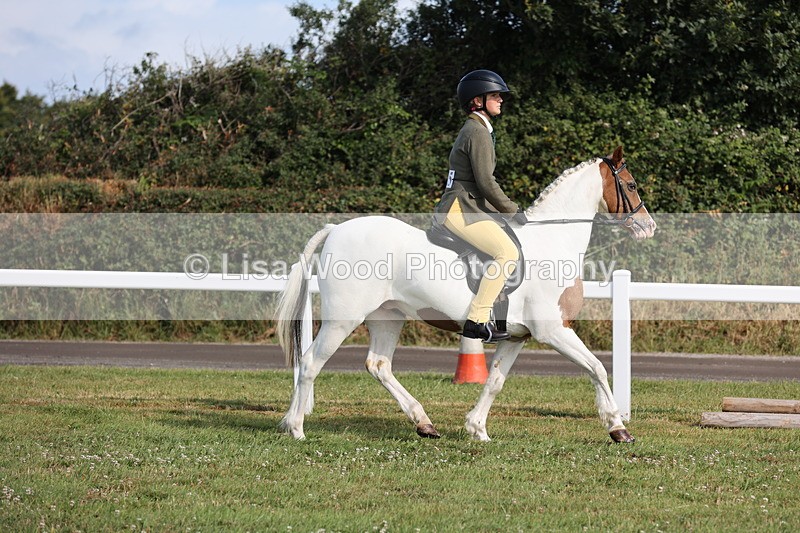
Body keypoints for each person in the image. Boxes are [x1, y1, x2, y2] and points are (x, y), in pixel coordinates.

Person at [434, 69, 527, 343]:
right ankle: (476, 320)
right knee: (507, 252)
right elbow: (486, 182)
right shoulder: (477, 131)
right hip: (460, 208)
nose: (501, 100)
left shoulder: (478, 129)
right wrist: (512, 210)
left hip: (468, 205)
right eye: (495, 95)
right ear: (477, 101)